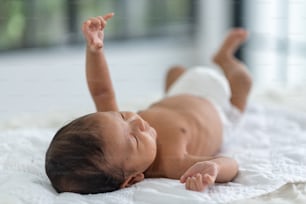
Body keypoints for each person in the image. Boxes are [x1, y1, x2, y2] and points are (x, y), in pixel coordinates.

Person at [45, 12, 252, 194]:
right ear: (133, 179)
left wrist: (94, 50)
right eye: (134, 140)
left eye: (123, 116)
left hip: (179, 93)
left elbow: (101, 91)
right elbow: (231, 164)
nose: (138, 122)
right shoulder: (173, 163)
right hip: (222, 111)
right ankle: (225, 58)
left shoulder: (117, 134)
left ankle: (211, 61)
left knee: (174, 71)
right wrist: (214, 168)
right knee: (243, 81)